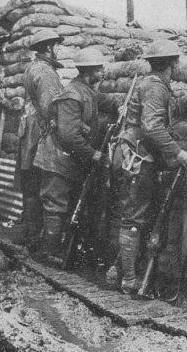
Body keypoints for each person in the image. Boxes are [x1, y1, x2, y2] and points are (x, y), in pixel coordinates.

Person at [108, 39, 187, 294]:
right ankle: (129, 281)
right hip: (137, 158)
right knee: (134, 218)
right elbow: (153, 126)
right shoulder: (155, 87)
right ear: (171, 63)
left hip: (137, 155)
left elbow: (166, 111)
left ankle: (117, 271)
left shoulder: (156, 85)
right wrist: (176, 152)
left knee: (138, 214)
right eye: (176, 62)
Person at [32, 48, 121, 261]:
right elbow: (69, 135)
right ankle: (51, 253)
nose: (103, 72)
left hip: (67, 158)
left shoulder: (86, 90)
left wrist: (121, 105)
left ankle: (59, 248)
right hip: (57, 157)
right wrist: (93, 154)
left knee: (65, 204)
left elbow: (102, 101)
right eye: (99, 69)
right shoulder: (72, 95)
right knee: (55, 204)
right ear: (90, 70)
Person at [14, 30, 64, 248]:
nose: (59, 50)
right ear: (48, 48)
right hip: (39, 133)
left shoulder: (33, 67)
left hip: (29, 131)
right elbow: (50, 107)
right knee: (39, 183)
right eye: (56, 46)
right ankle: (38, 239)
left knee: (30, 185)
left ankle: (31, 233)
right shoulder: (45, 72)